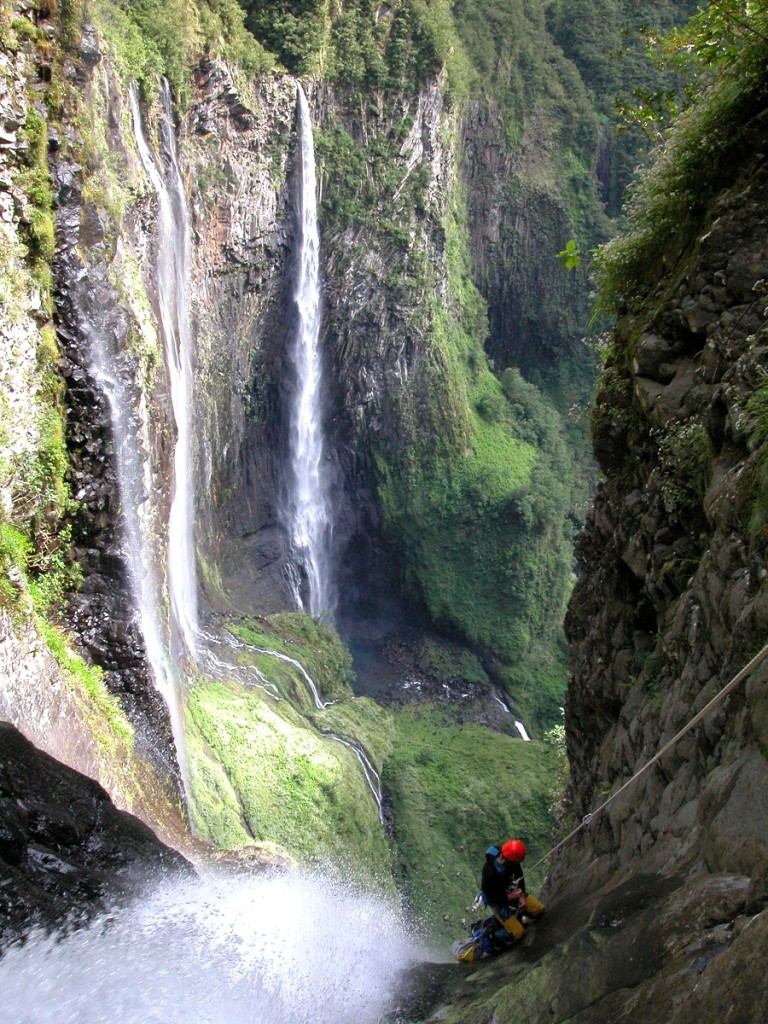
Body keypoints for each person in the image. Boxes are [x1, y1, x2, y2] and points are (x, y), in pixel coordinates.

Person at [480, 839, 545, 945]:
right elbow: (490, 897)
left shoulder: (510, 858)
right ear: (511, 860)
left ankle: (518, 915)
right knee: (518, 933)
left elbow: (519, 876)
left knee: (538, 910)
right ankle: (492, 936)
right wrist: (509, 897)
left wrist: (522, 896)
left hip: (510, 891)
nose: (517, 864)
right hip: (497, 901)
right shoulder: (490, 872)